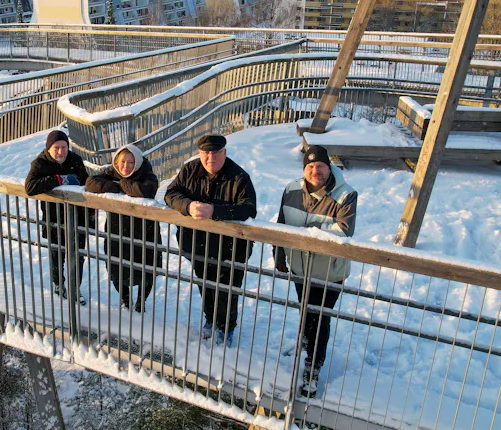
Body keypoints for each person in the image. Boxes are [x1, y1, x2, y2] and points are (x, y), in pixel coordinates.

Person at [275, 144, 357, 398]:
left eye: (320, 166)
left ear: (329, 166)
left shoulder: (346, 194)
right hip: (301, 267)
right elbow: (281, 225)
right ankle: (305, 341)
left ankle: (313, 368)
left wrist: (307, 233)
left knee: (320, 318)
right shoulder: (291, 190)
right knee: (305, 308)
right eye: (310, 166)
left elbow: (344, 230)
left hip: (329, 271)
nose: (315, 171)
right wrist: (279, 255)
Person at [165, 134, 257, 347]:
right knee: (204, 283)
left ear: (224, 153)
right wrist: (187, 206)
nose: (210, 158)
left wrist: (216, 211)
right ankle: (210, 319)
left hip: (231, 248)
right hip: (196, 244)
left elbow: (248, 208)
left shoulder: (239, 177)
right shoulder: (189, 170)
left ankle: (227, 327)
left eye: (216, 153)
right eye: (206, 153)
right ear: (200, 153)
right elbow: (170, 194)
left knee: (227, 288)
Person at [85, 144, 162, 312]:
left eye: (130, 162)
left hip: (144, 232)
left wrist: (119, 184)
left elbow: (146, 190)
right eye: (122, 162)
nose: (125, 166)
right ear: (116, 162)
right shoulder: (110, 173)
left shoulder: (146, 174)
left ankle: (140, 304)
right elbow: (91, 183)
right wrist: (119, 186)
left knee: (146, 271)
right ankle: (126, 301)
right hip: (117, 230)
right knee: (117, 268)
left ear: (138, 162)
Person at [24, 130, 90, 305]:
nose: (60, 152)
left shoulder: (75, 160)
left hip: (77, 218)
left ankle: (75, 288)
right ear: (49, 148)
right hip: (53, 219)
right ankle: (58, 285)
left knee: (77, 256)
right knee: (56, 254)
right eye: (56, 148)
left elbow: (86, 183)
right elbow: (30, 187)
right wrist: (58, 180)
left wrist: (90, 214)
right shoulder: (40, 163)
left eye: (64, 147)